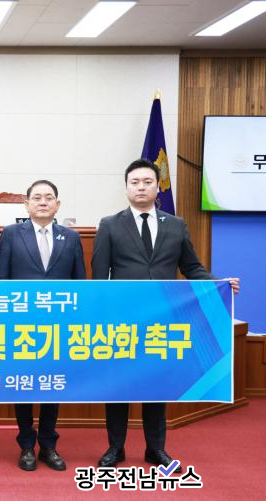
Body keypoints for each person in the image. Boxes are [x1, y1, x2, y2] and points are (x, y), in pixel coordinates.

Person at [92, 158, 240, 472]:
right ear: (126, 188)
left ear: (157, 186)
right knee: (118, 387)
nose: (141, 187)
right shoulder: (109, 225)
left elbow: (192, 268)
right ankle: (115, 448)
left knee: (157, 386)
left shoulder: (176, 225)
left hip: (162, 321)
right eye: (135, 182)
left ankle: (155, 449)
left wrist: (220, 284)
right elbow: (99, 278)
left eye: (147, 182)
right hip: (122, 321)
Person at [0, 180, 85, 472]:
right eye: (37, 198)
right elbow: (1, 282)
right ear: (27, 204)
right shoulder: (11, 234)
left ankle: (48, 445)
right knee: (24, 386)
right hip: (21, 327)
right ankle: (26, 445)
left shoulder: (71, 237)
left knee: (51, 386)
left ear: (57, 204)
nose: (43, 202)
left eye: (48, 198)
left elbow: (79, 285)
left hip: (58, 328)